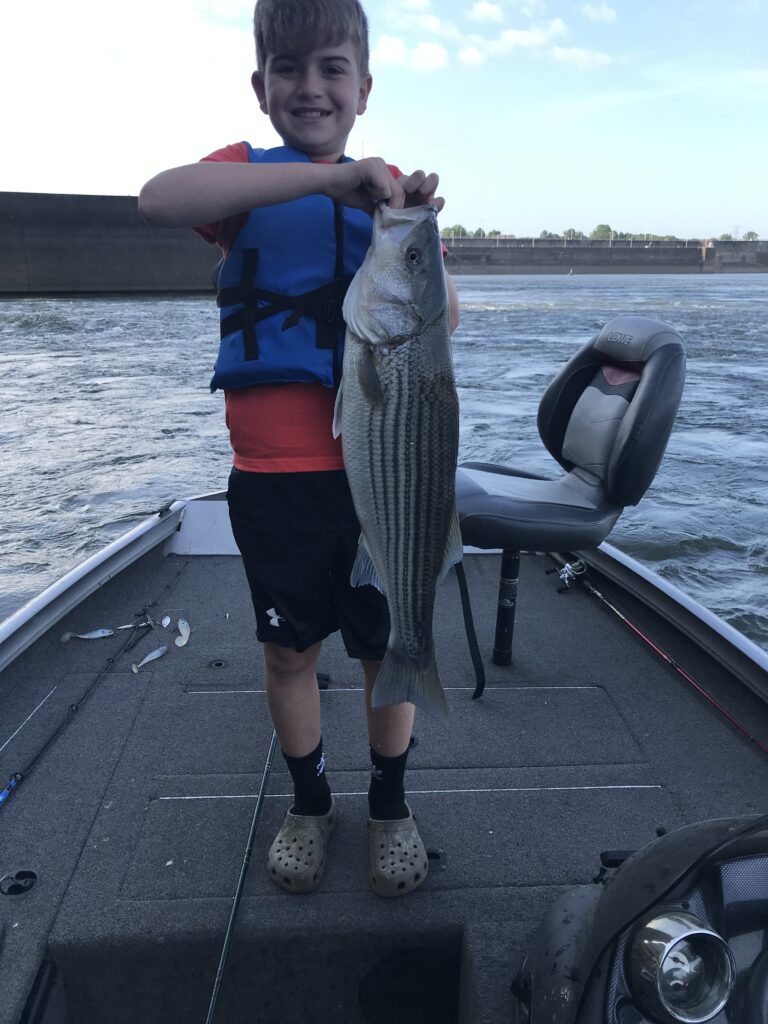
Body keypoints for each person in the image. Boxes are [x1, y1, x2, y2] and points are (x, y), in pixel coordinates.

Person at [139, 0, 459, 898]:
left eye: (331, 69)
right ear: (261, 86)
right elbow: (158, 200)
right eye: (289, 69)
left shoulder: (390, 193)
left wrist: (416, 229)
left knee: (378, 650)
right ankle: (311, 802)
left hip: (381, 485)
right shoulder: (245, 177)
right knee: (289, 653)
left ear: (363, 88)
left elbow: (441, 320)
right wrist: (324, 182)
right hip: (276, 479)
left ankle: (390, 804)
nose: (310, 87)